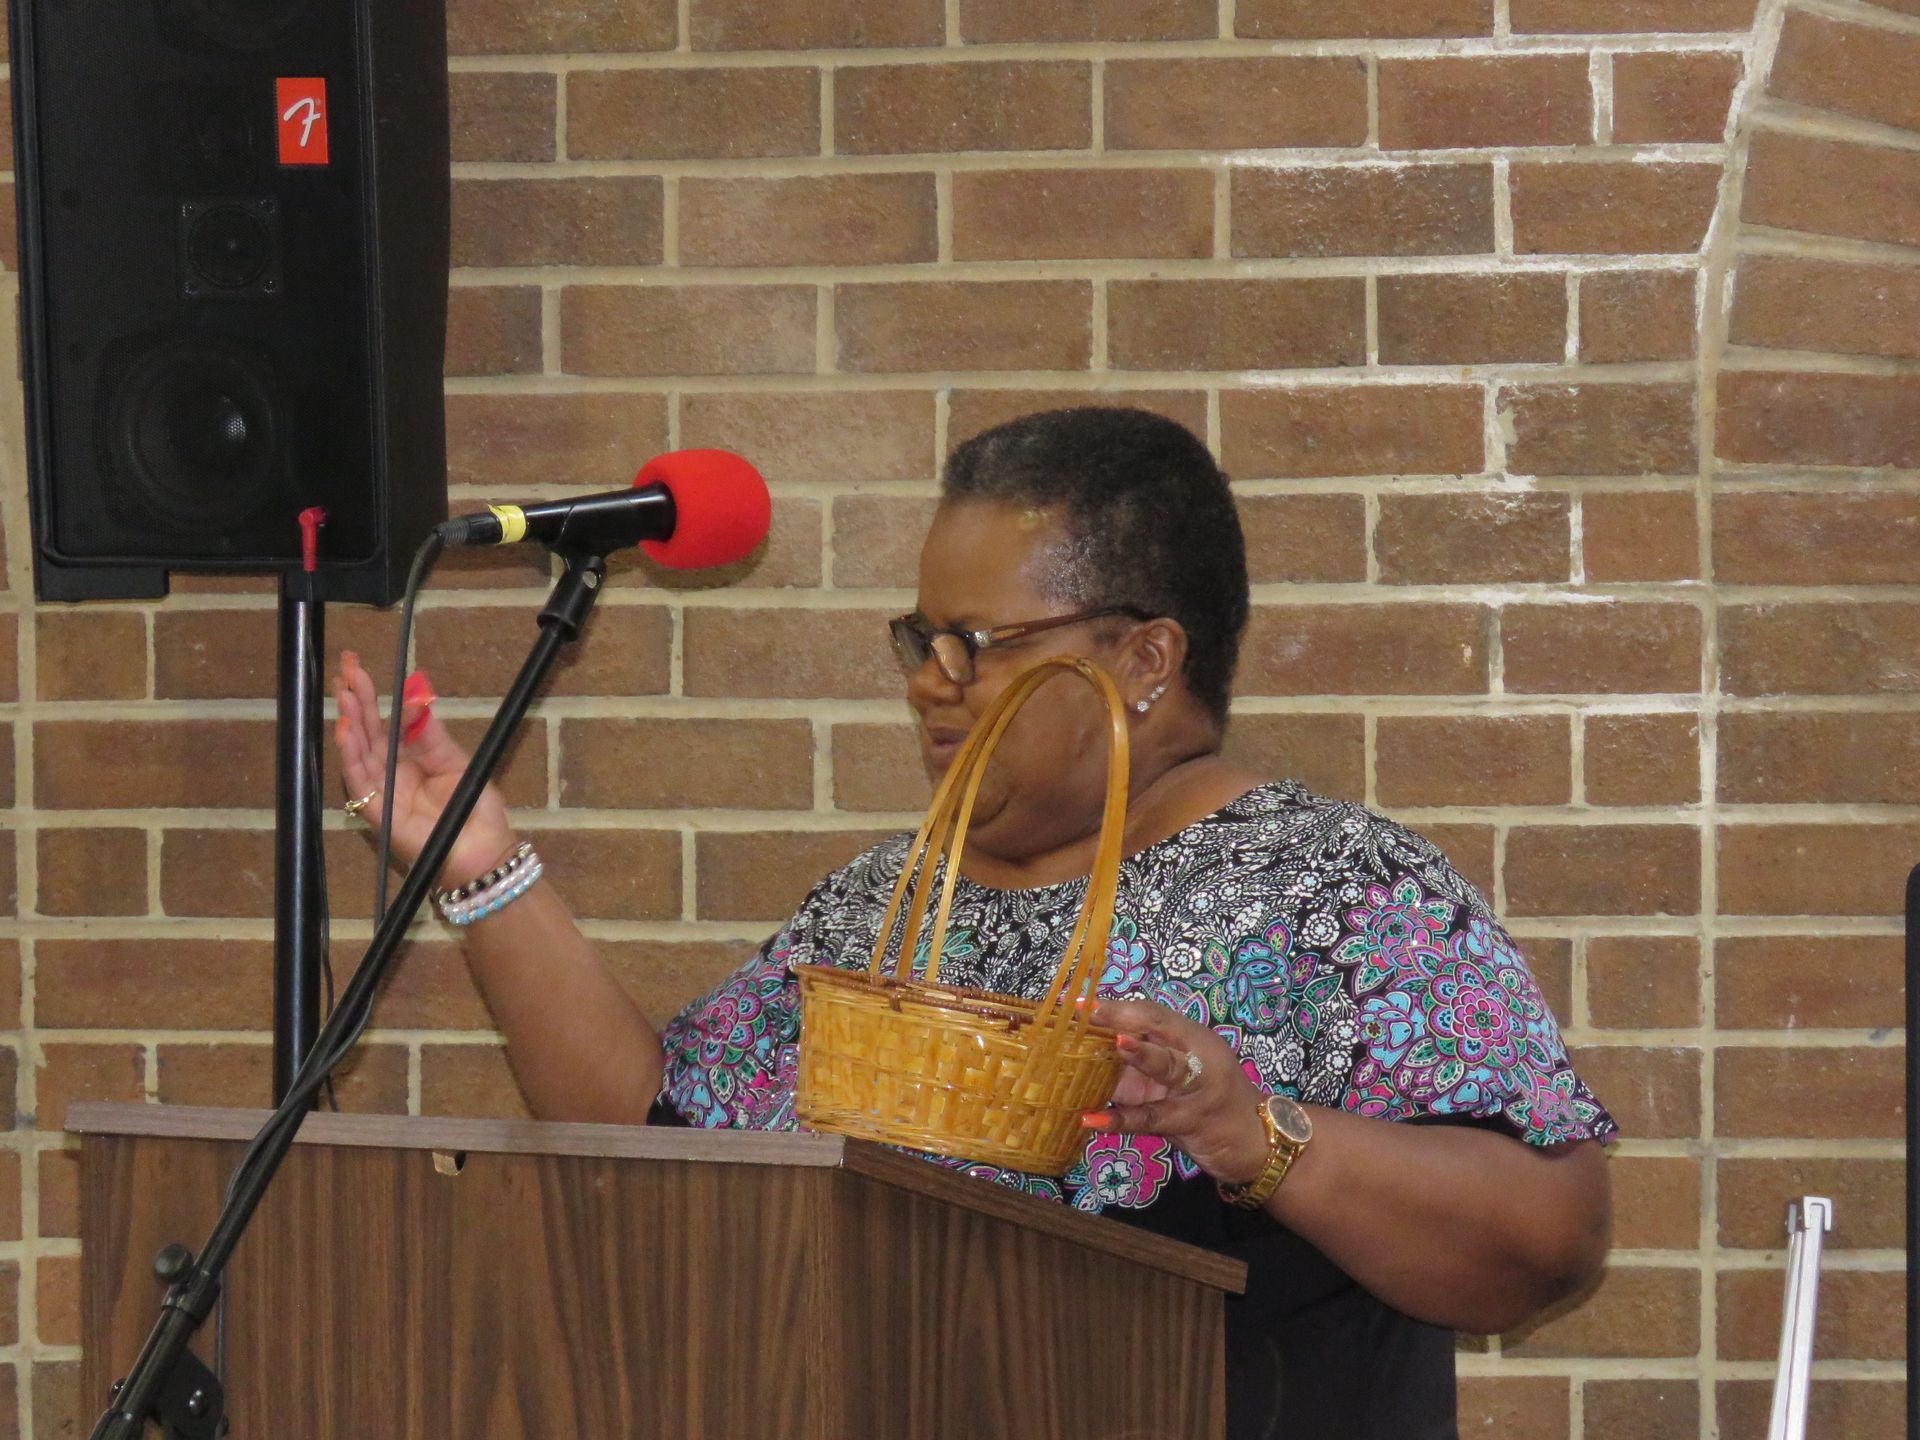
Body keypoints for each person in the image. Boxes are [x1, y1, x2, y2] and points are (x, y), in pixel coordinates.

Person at [334, 406, 1613, 1440]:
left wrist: (1255, 1134)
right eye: (919, 639)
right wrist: (481, 867)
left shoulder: (1341, 894)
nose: (928, 686)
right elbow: (656, 1138)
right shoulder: (888, 908)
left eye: (977, 644)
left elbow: (1548, 1243)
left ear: (1145, 660)